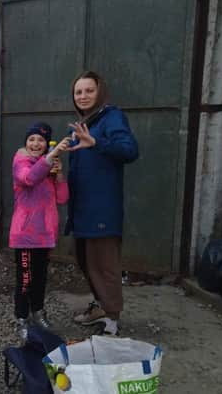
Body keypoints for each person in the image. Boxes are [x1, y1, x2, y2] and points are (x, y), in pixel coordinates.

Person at [66, 71, 139, 336]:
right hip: (82, 207)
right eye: (78, 92)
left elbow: (130, 150)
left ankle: (112, 320)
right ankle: (100, 306)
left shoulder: (111, 118)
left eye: (89, 91)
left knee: (104, 264)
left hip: (102, 208)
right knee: (86, 261)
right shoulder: (84, 123)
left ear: (100, 92)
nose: (83, 96)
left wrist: (96, 142)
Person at [9, 122, 69, 345]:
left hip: (45, 235)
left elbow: (62, 198)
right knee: (25, 280)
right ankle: (22, 318)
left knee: (40, 278)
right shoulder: (20, 162)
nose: (35, 144)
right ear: (26, 142)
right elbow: (28, 179)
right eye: (32, 139)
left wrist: (60, 174)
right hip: (25, 236)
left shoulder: (49, 166)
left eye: (41, 140)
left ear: (46, 144)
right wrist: (51, 156)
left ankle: (38, 313)